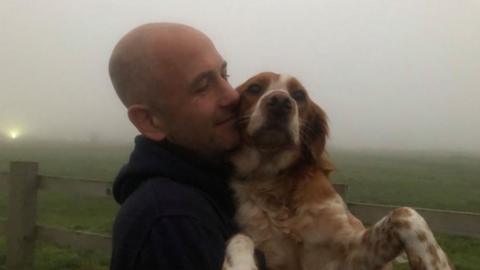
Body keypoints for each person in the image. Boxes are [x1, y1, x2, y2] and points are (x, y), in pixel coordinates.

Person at [108, 23, 253, 270]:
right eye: (203, 86)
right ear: (150, 121)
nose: (232, 96)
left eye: (224, 75)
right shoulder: (171, 221)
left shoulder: (214, 187)